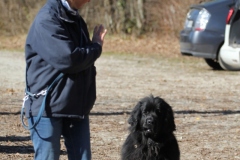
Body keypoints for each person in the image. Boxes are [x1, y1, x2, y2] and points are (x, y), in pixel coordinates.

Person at [24, 0, 107, 159]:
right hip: (47, 106)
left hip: (75, 105)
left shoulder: (75, 18)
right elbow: (69, 59)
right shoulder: (48, 18)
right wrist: (96, 46)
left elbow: (81, 59)